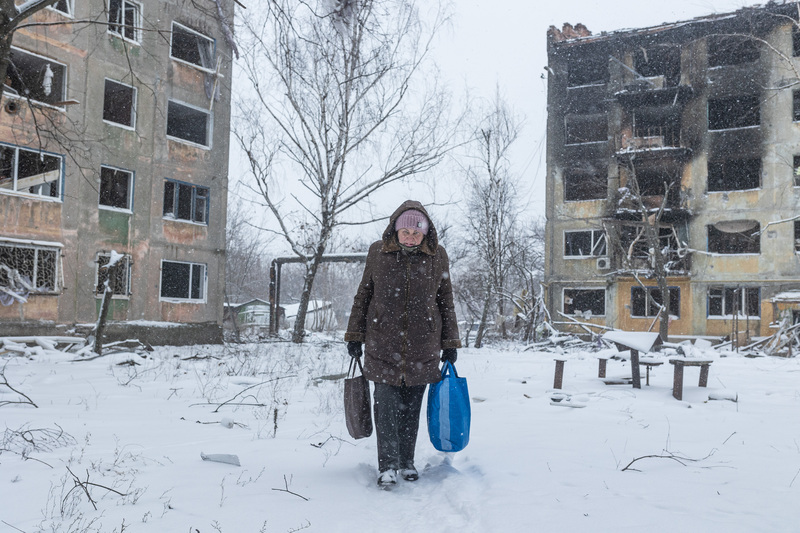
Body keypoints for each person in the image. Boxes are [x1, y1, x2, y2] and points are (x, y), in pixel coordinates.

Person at [345, 200, 461, 488]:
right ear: (396, 231)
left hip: (423, 346)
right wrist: (355, 336)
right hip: (382, 343)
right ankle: (388, 466)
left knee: (411, 407)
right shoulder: (378, 253)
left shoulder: (438, 257)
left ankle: (407, 461)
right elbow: (364, 296)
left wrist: (450, 342)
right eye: (406, 232)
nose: (410, 237)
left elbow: (445, 301)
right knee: (385, 406)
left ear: (425, 234)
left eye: (416, 233)